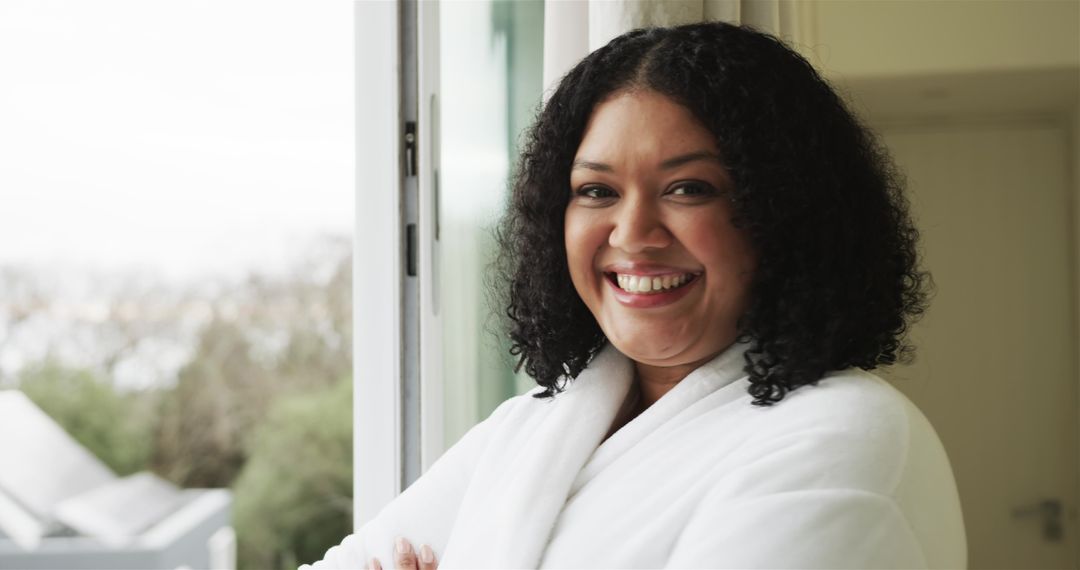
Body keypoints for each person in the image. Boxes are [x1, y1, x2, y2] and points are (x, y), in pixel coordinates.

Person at [305, 21, 966, 569]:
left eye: (688, 188)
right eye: (597, 191)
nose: (633, 233)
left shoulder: (842, 439)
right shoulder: (533, 429)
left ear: (783, 212)